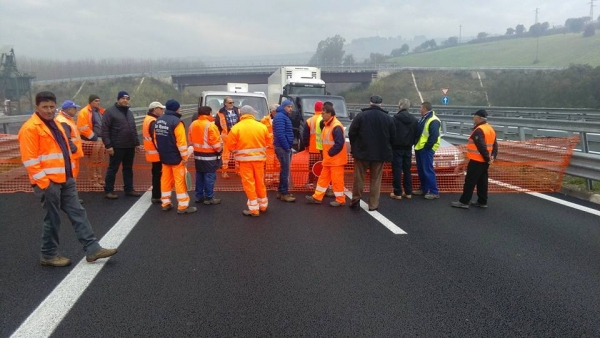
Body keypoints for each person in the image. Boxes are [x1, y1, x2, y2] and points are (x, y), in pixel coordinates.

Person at [19, 91, 117, 267]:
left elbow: (65, 150)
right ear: (37, 107)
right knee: (53, 218)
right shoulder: (30, 129)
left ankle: (93, 248)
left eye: (51, 106)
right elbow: (30, 161)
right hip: (48, 182)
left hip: (66, 179)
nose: (49, 110)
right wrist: (45, 183)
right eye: (45, 107)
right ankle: (48, 254)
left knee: (78, 212)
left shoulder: (56, 124)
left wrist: (70, 175)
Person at [348, 95, 395, 211]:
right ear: (381, 104)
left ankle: (355, 200)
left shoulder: (361, 116)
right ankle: (373, 204)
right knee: (375, 179)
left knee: (359, 177)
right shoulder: (388, 118)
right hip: (380, 154)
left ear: (370, 103)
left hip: (362, 152)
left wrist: (355, 147)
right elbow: (393, 137)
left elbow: (352, 133)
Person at [226, 105, 269, 217]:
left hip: (244, 161)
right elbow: (268, 142)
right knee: (260, 182)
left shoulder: (236, 128)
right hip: (259, 160)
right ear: (252, 114)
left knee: (249, 183)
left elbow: (230, 145)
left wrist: (237, 151)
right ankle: (263, 205)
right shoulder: (262, 126)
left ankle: (254, 209)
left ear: (241, 114)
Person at [155, 99, 196, 214]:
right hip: (176, 157)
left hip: (164, 156)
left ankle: (166, 203)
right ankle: (183, 206)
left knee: (165, 180)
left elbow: (156, 139)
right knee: (180, 181)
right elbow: (181, 143)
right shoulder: (177, 122)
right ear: (176, 108)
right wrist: (185, 158)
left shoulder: (158, 120)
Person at [451, 110, 498, 209]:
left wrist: (487, 158)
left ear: (479, 118)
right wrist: (492, 157)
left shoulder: (479, 130)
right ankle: (482, 201)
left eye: (475, 117)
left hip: (477, 160)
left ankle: (464, 201)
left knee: (470, 181)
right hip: (485, 161)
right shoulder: (490, 128)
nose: (473, 118)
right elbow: (495, 145)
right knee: (482, 181)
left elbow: (481, 146)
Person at [101, 91, 142, 199]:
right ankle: (109, 191)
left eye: (127, 98)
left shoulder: (129, 113)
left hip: (129, 146)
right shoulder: (109, 112)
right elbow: (104, 130)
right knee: (113, 169)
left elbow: (133, 129)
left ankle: (129, 189)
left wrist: (137, 143)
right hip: (117, 146)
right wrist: (108, 145)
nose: (125, 100)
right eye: (123, 98)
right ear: (118, 99)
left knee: (128, 169)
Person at [305, 104, 348, 206]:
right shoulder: (327, 125)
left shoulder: (335, 126)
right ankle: (317, 197)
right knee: (323, 179)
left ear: (329, 113)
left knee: (337, 181)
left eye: (323, 113)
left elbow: (339, 143)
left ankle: (340, 200)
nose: (322, 115)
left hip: (335, 160)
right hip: (329, 160)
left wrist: (330, 153)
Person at [189, 105, 223, 205]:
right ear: (208, 113)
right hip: (209, 156)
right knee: (209, 177)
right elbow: (215, 143)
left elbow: (190, 140)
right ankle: (209, 197)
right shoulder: (210, 125)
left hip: (197, 155)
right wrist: (220, 149)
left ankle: (199, 196)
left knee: (199, 176)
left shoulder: (193, 124)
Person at [390, 98, 419, 200]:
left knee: (397, 170)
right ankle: (408, 192)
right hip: (408, 148)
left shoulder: (394, 119)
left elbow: (391, 134)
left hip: (396, 148)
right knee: (407, 170)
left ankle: (397, 192)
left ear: (399, 106)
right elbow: (417, 134)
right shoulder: (414, 120)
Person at [414, 101, 441, 200]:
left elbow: (434, 136)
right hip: (420, 148)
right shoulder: (424, 118)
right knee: (422, 170)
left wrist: (427, 147)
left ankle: (434, 191)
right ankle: (424, 188)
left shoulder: (433, 120)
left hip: (426, 149)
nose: (420, 110)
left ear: (425, 108)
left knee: (428, 170)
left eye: (421, 108)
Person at [77, 94, 105, 187]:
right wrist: (95, 138)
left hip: (100, 139)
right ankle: (93, 180)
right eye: (96, 101)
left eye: (98, 100)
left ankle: (100, 178)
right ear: (91, 102)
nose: (98, 102)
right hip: (92, 140)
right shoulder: (84, 112)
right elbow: (83, 128)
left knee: (100, 160)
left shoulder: (100, 111)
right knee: (93, 161)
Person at [272, 100, 296, 202]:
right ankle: (284, 193)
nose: (291, 109)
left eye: (291, 107)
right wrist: (287, 146)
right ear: (284, 107)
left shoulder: (281, 116)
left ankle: (281, 191)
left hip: (282, 146)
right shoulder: (281, 117)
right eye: (289, 107)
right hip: (282, 147)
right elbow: (281, 133)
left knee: (284, 170)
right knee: (285, 171)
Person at [142, 101, 166, 204]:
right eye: (160, 109)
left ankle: (156, 194)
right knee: (158, 175)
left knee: (156, 174)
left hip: (152, 153)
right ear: (155, 109)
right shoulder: (153, 121)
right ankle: (156, 196)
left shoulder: (148, 119)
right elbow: (156, 139)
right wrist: (162, 151)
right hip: (156, 153)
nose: (162, 111)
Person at [56, 100, 84, 180]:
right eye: (75, 108)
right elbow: (65, 139)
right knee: (71, 178)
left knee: (72, 177)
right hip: (71, 155)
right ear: (69, 110)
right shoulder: (63, 121)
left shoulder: (67, 120)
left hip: (73, 154)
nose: (76, 110)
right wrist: (74, 149)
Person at [215, 96, 240, 178]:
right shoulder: (220, 113)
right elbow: (217, 125)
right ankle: (224, 171)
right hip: (226, 136)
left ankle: (238, 170)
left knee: (238, 153)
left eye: (232, 102)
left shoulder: (238, 110)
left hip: (237, 135)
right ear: (225, 103)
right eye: (230, 102)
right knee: (226, 155)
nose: (232, 104)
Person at [302, 101, 324, 188]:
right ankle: (321, 183)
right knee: (323, 167)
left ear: (314, 109)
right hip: (323, 149)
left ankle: (311, 182)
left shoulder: (309, 120)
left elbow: (305, 136)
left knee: (312, 167)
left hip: (312, 149)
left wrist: (306, 145)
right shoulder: (325, 119)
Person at [261, 103, 279, 187]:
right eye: (276, 111)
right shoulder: (264, 120)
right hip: (269, 146)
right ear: (272, 111)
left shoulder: (280, 119)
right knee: (269, 164)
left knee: (278, 163)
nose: (277, 113)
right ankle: (268, 180)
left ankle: (276, 179)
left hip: (278, 145)